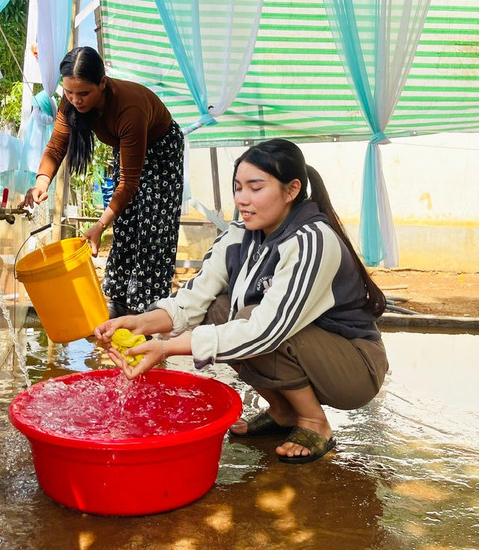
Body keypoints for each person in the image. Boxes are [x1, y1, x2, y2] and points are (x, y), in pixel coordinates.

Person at [94, 138, 389, 464]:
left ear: (291, 190)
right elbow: (194, 299)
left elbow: (266, 331)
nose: (243, 199)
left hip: (353, 368)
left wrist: (165, 348)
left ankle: (314, 422)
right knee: (220, 311)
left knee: (247, 318)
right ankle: (282, 412)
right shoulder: (239, 235)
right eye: (238, 188)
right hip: (301, 347)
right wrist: (140, 323)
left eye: (256, 188)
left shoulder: (312, 241)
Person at [21, 46, 184, 318]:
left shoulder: (129, 108)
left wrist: (98, 226)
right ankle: (118, 305)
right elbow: (56, 146)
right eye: (69, 92)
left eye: (84, 93)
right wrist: (41, 182)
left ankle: (147, 313)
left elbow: (128, 184)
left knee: (152, 230)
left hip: (161, 152)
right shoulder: (71, 101)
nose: (76, 100)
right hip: (128, 147)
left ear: (103, 83)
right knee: (126, 225)